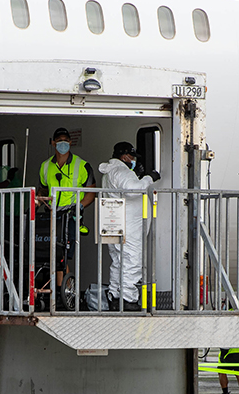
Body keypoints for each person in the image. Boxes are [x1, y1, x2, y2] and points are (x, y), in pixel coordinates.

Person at [97, 141, 160, 310]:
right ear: (124, 156)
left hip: (115, 222)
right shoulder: (121, 171)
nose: (133, 160)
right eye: (132, 156)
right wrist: (149, 178)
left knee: (118, 261)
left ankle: (115, 296)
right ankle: (128, 300)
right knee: (131, 260)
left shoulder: (111, 172)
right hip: (129, 225)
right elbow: (132, 189)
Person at [37, 128, 96, 303]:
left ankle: (63, 294)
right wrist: (39, 200)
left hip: (70, 216)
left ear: (70, 143)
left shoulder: (82, 165)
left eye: (66, 140)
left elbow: (91, 193)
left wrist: (78, 207)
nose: (63, 143)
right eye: (59, 141)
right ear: (53, 143)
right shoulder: (45, 166)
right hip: (51, 215)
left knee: (62, 253)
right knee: (48, 253)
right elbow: (42, 188)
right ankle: (58, 291)